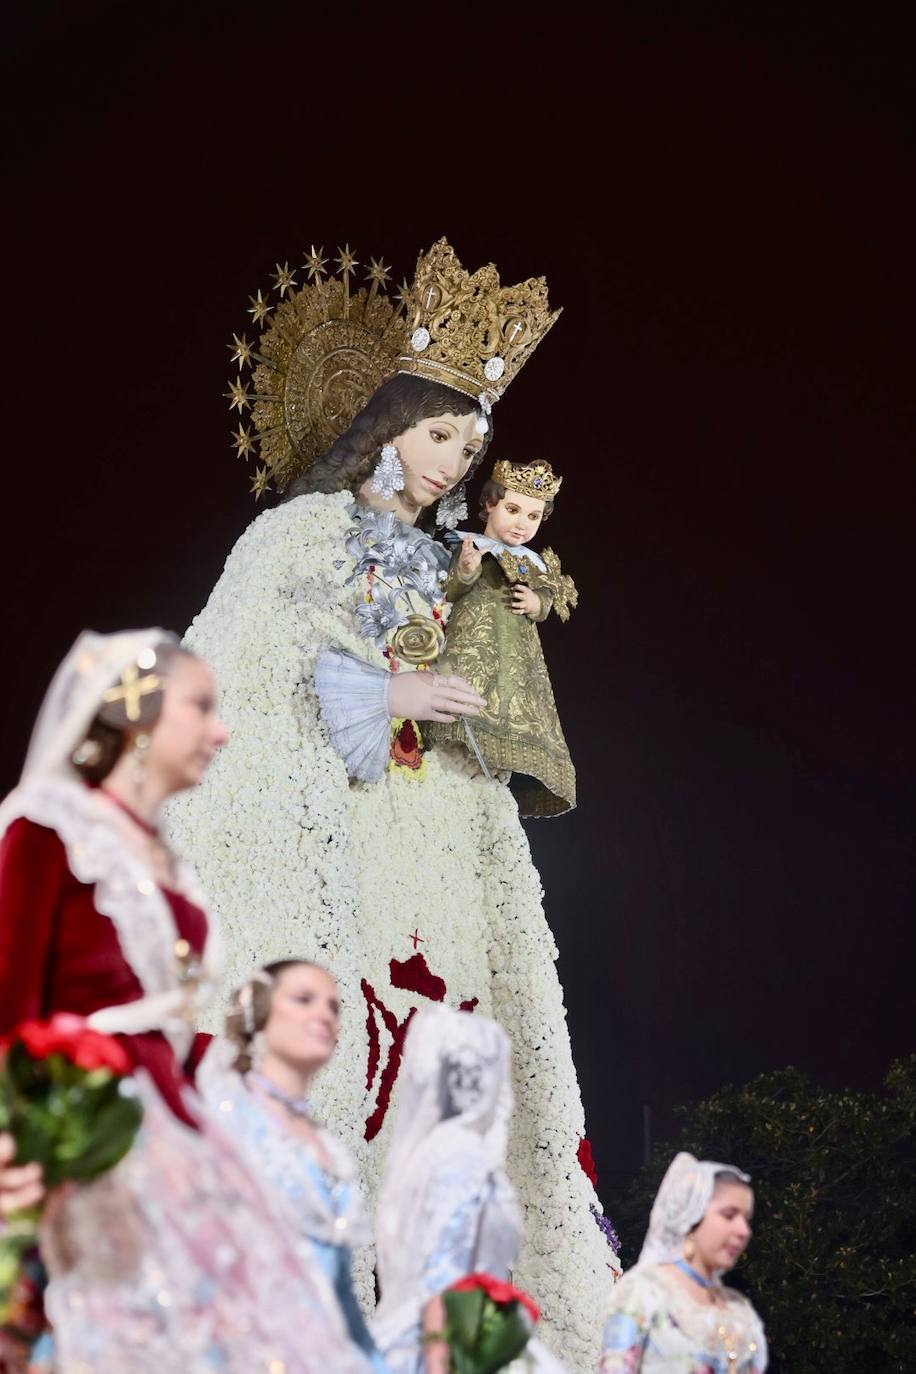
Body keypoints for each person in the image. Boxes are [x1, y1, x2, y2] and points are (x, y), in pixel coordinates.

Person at [167, 237, 615, 1367]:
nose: (450, 463)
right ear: (386, 423)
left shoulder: (448, 557)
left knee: (449, 1104)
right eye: (436, 435)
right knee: (348, 1088)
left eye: (469, 445)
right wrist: (386, 689)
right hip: (337, 861)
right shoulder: (295, 538)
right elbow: (239, 682)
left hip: (435, 856)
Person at [0, 629, 374, 1374]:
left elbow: (171, 1025)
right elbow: (8, 996)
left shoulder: (165, 858)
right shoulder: (52, 826)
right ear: (137, 710)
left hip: (176, 1129)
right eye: (201, 706)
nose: (221, 730)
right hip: (88, 1135)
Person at [199, 960, 387, 1371]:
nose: (324, 1014)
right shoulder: (226, 1114)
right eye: (304, 999)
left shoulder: (326, 1147)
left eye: (334, 1007)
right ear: (260, 1014)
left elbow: (338, 1293)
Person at [371, 1005, 565, 1374]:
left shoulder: (462, 1154)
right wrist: (441, 1356)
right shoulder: (451, 1157)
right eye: (466, 1075)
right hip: (446, 1335)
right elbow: (437, 1266)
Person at [427, 458, 578, 817]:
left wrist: (536, 601)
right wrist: (465, 571)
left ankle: (493, 779)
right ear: (489, 504)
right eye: (512, 509)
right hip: (471, 643)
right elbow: (448, 590)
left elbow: (548, 598)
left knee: (512, 706)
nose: (521, 524)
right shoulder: (469, 546)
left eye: (533, 517)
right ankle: (453, 768)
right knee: (463, 703)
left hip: (517, 656)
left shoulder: (532, 562)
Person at [598, 1152, 768, 1372]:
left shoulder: (739, 1310)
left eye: (747, 1219)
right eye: (728, 1215)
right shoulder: (644, 1291)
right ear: (691, 1216)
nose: (743, 1231)